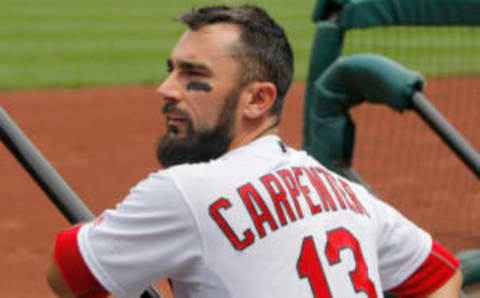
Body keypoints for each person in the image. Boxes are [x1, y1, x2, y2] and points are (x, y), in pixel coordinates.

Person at [46, 4, 462, 298]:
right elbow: (441, 274)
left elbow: (67, 274)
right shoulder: (345, 193)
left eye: (193, 75)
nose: (166, 89)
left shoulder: (183, 192)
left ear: (258, 100)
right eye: (171, 70)